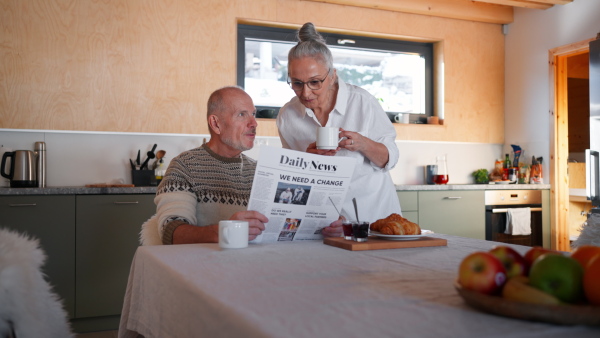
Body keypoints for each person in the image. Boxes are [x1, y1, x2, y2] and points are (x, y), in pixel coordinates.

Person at [276, 22, 402, 236]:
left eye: (315, 82)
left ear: (332, 75)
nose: (306, 93)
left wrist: (363, 144)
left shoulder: (362, 102)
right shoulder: (288, 117)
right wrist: (307, 159)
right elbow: (292, 179)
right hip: (326, 224)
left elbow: (390, 159)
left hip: (374, 222)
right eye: (297, 83)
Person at [153, 86, 269, 244]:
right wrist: (227, 231)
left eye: (253, 114)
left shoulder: (260, 172)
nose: (254, 123)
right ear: (216, 124)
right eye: (242, 114)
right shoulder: (184, 166)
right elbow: (171, 232)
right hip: (202, 266)